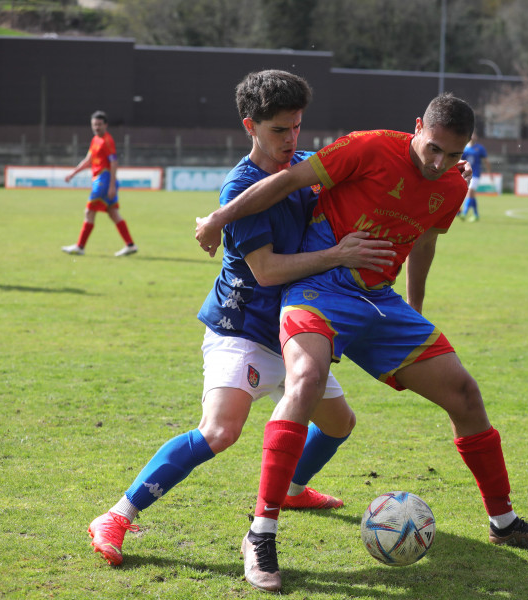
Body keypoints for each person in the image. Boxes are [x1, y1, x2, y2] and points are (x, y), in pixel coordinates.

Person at [196, 93, 528, 594]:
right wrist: (219, 219)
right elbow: (285, 180)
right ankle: (261, 534)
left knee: (464, 393)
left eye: (454, 155)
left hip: (379, 301)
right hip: (319, 289)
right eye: (433, 148)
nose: (440, 164)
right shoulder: (369, 148)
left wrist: (413, 309)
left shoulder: (454, 186)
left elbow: (425, 242)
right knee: (305, 381)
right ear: (418, 126)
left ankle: (503, 522)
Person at [87, 70, 396, 567]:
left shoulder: (300, 167)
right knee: (220, 431)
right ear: (250, 126)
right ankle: (117, 515)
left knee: (339, 424)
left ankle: (293, 488)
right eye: (279, 130)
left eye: (298, 128)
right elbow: (268, 270)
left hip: (294, 333)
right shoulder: (243, 185)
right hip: (244, 330)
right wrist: (338, 256)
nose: (291, 140)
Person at [62, 110, 138, 257]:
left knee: (89, 211)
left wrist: (111, 185)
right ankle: (130, 245)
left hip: (104, 181)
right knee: (113, 213)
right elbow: (88, 160)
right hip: (100, 180)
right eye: (94, 124)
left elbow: (114, 162)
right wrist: (73, 173)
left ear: (106, 125)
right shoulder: (95, 140)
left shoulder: (107, 141)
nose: (96, 127)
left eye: (99, 124)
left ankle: (80, 246)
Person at [458, 132, 490, 221]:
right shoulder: (464, 149)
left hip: (475, 174)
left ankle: (464, 213)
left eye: (474, 135)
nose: (473, 136)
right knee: (471, 195)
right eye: (471, 134)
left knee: (470, 192)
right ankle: (476, 215)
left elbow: (486, 161)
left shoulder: (479, 148)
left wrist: (489, 172)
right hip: (466, 174)